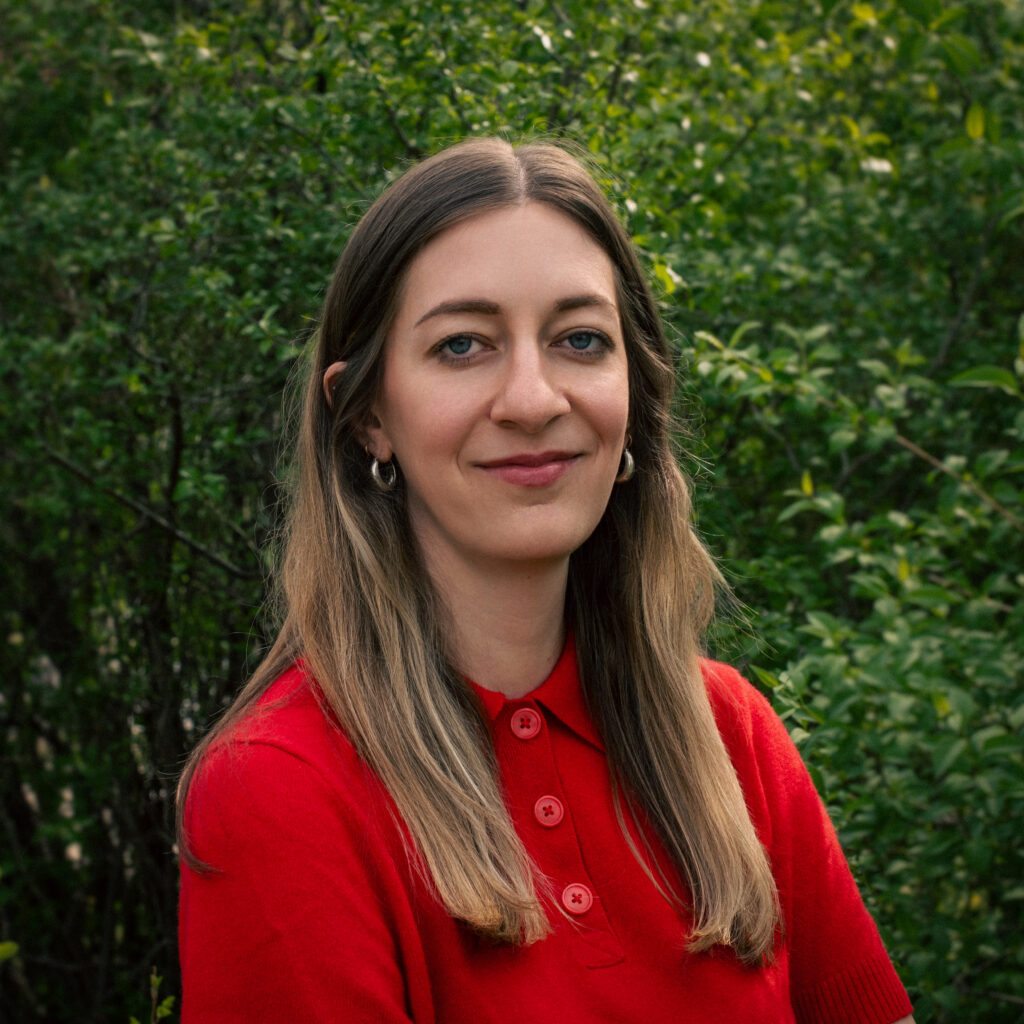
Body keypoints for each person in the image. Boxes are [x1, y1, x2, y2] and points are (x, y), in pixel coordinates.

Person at [176, 138, 915, 1024]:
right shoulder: (280, 791)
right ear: (367, 415)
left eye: (579, 340)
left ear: (633, 392)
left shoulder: (731, 737)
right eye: (462, 346)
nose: (533, 399)